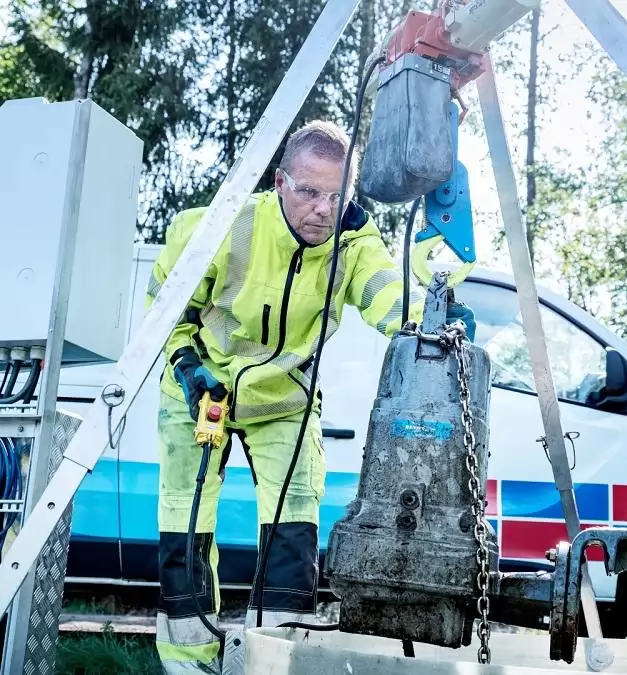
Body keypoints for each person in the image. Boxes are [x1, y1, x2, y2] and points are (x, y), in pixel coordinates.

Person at [143, 119, 477, 673]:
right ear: (280, 182)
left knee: (293, 530)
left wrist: (428, 317)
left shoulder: (354, 241)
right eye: (309, 192)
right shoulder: (223, 226)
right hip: (201, 390)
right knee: (185, 524)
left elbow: (383, 294)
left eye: (335, 195)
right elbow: (165, 311)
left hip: (285, 401)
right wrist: (187, 364)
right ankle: (186, 662)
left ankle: (274, 659)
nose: (323, 209)